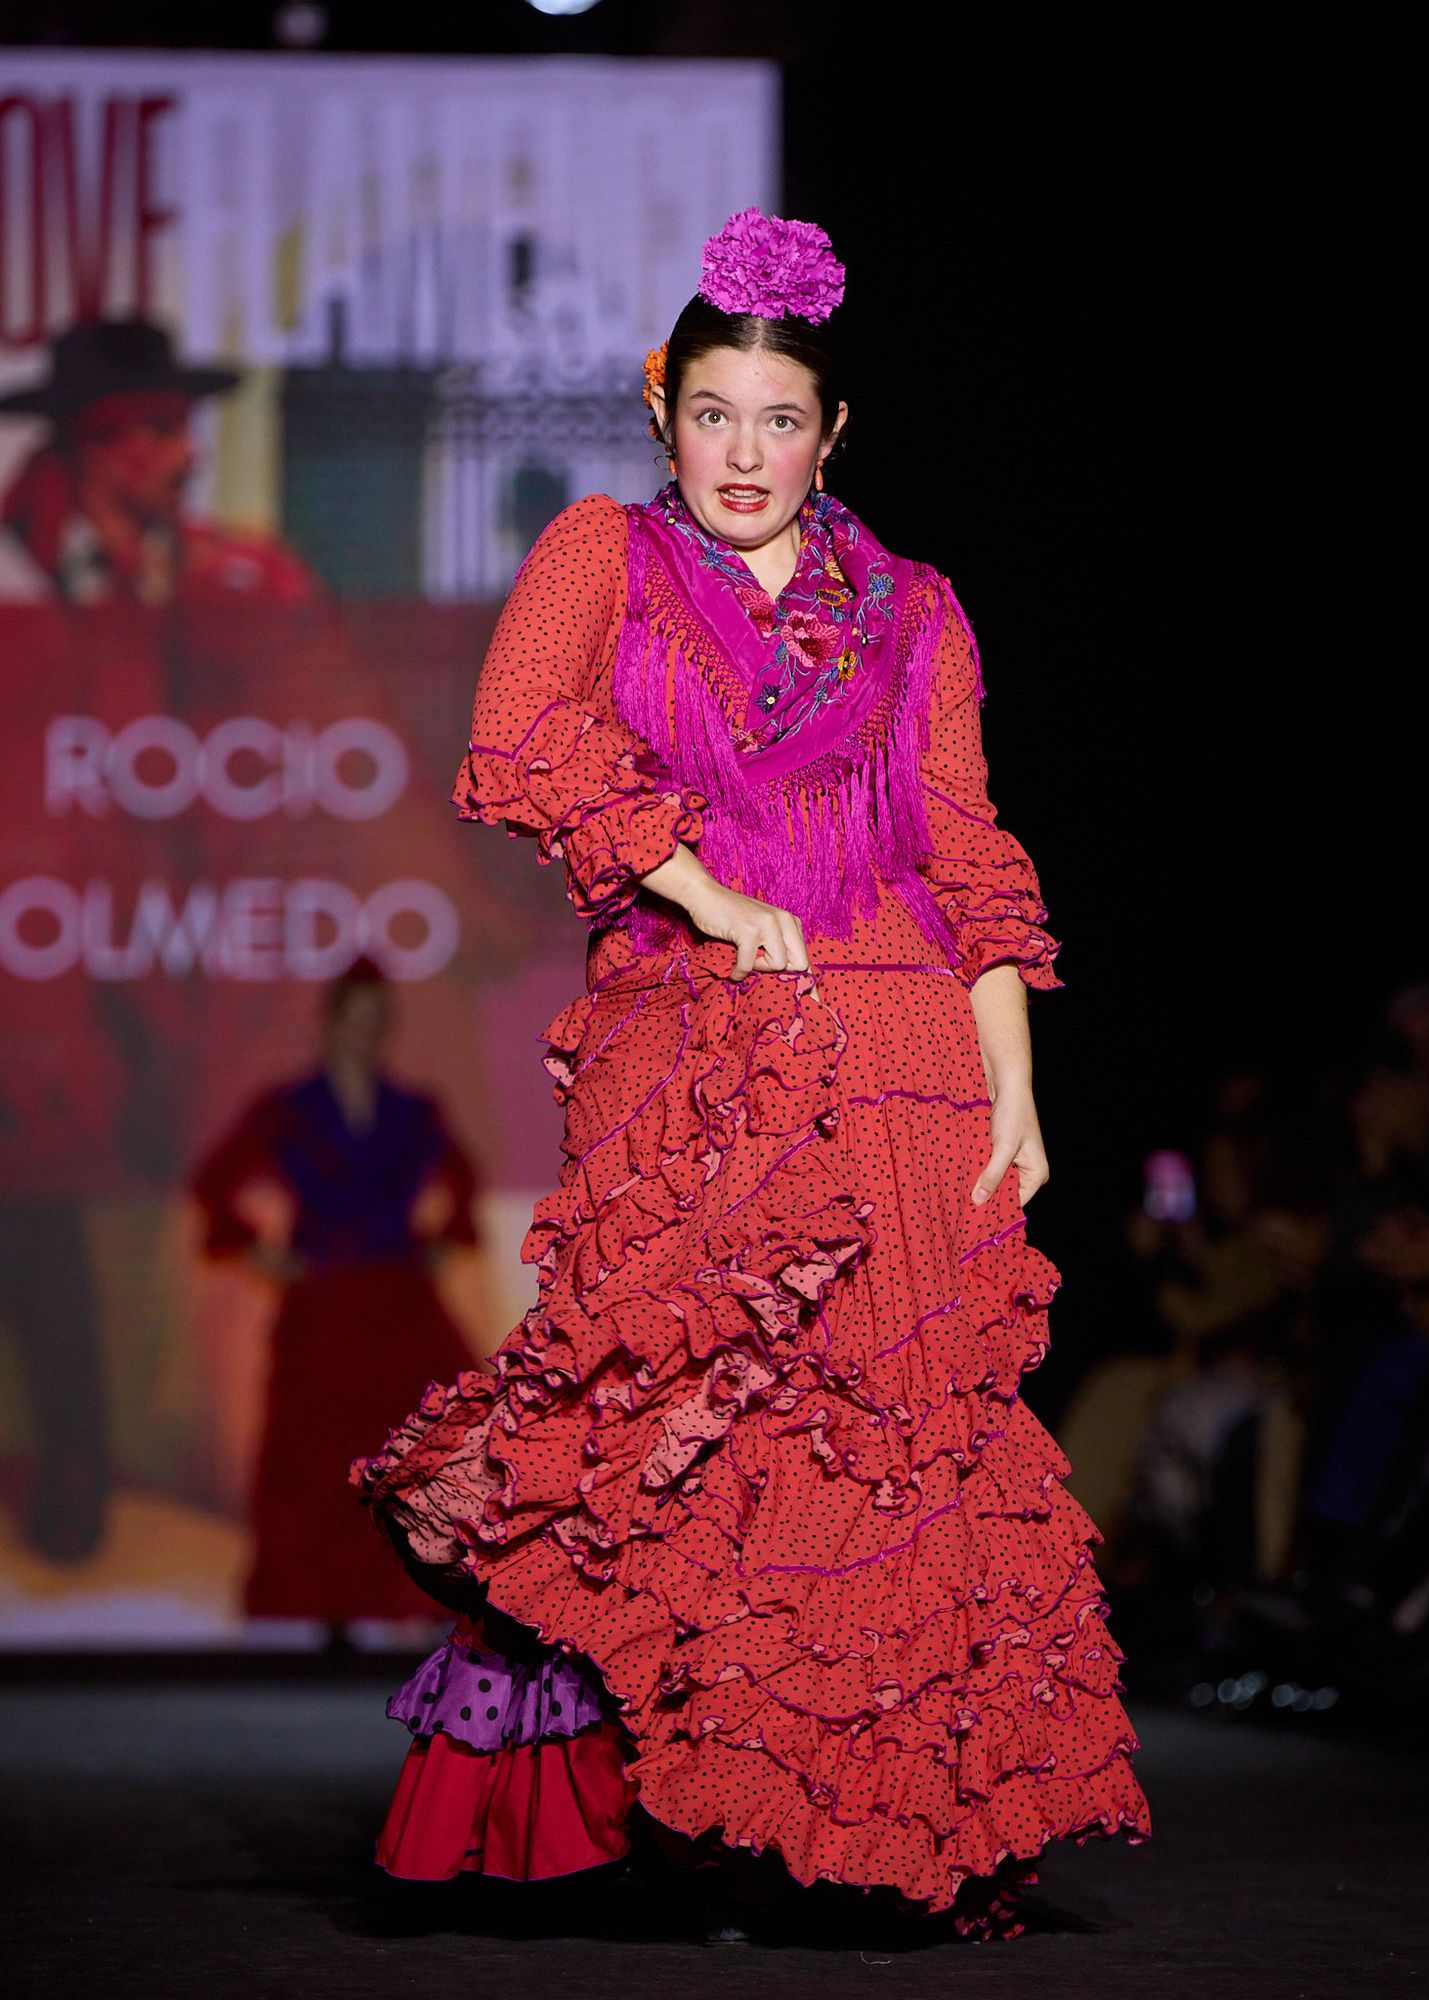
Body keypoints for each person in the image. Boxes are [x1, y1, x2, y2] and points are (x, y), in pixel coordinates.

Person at [352, 210, 1150, 1937]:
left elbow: (966, 853)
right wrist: (707, 888)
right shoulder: (603, 560)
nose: (744, 452)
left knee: (893, 1449)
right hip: (694, 1043)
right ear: (665, 409)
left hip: (907, 1049)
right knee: (668, 1423)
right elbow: (518, 739)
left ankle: (873, 1841)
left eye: (779, 421)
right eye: (715, 414)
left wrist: (1017, 1086)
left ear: (832, 434)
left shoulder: (918, 608)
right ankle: (673, 1817)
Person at [193, 958, 478, 1635]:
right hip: (323, 1311)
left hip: (396, 1309)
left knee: (411, 1456)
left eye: (376, 1023)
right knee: (322, 1467)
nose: (364, 1035)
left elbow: (462, 1181)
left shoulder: (413, 1111)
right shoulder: (289, 1110)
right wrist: (259, 1250)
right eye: (353, 1022)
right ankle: (330, 1613)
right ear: (328, 1025)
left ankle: (414, 1597)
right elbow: (214, 1182)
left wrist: (444, 1238)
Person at [0, 318, 317, 605]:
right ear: (93, 448)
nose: (190, 454)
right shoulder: (20, 566)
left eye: (186, 430)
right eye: (162, 431)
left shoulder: (242, 574)